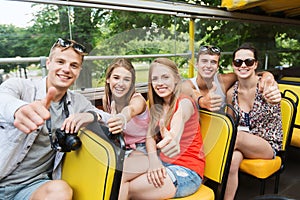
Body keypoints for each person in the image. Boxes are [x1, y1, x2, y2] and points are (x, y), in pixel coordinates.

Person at [0, 38, 110, 200]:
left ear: (79, 71)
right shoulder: (20, 87)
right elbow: (3, 98)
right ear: (48, 63)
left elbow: (112, 119)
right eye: (60, 62)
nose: (66, 69)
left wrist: (91, 115)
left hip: (33, 186)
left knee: (61, 190)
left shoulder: (78, 102)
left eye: (74, 65)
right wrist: (19, 110)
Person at [118, 58, 205, 199]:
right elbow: (150, 137)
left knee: (128, 188)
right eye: (155, 79)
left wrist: (174, 136)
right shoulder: (157, 107)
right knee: (117, 176)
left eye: (165, 77)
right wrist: (153, 160)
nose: (160, 83)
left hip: (187, 171)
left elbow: (180, 117)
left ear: (176, 79)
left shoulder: (185, 102)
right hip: (162, 161)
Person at [224, 43, 283, 200]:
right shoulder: (232, 93)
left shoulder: (266, 86)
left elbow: (274, 94)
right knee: (232, 160)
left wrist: (274, 93)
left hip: (266, 144)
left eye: (248, 62)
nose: (243, 65)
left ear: (256, 64)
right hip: (243, 142)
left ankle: (199, 176)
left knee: (234, 137)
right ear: (233, 65)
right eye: (238, 62)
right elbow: (230, 122)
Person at [184, 45, 281, 112]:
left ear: (217, 66)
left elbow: (248, 73)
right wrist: (202, 101)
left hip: (220, 133)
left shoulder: (224, 80)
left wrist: (268, 76)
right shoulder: (188, 84)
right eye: (204, 61)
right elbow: (190, 92)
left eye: (213, 62)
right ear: (196, 65)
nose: (208, 66)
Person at [103, 58, 149, 156]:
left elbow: (130, 110)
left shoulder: (138, 100)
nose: (121, 84)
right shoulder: (106, 100)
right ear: (108, 79)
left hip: (142, 147)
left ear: (132, 83)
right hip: (121, 145)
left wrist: (122, 118)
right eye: (116, 78)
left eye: (126, 79)